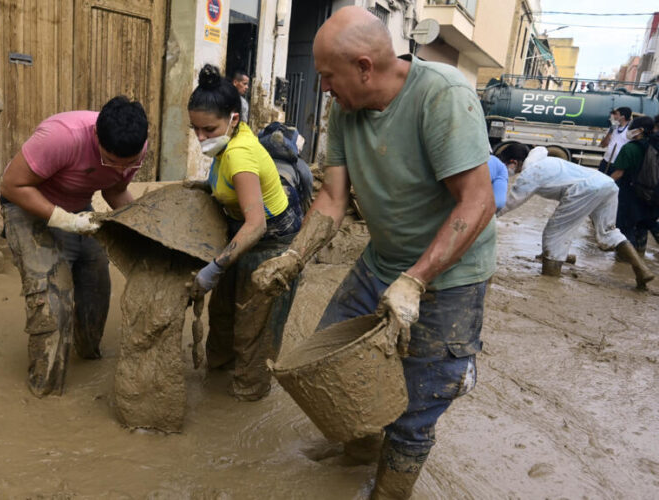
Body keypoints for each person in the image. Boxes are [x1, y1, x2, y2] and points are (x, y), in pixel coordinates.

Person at [252, 7, 496, 498]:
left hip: (448, 277)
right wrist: (294, 256)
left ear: (364, 66)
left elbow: (479, 201)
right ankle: (358, 450)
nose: (323, 87)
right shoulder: (345, 108)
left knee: (417, 404)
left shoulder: (441, 96)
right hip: (380, 261)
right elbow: (333, 198)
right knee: (332, 358)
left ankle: (389, 491)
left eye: (327, 76)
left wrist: (416, 280)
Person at [0, 97, 148, 397]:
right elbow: (11, 185)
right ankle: (46, 392)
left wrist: (143, 228)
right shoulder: (62, 137)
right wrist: (63, 220)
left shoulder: (134, 145)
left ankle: (88, 355)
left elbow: (115, 189)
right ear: (96, 138)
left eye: (128, 164)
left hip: (79, 209)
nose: (121, 169)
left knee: (97, 288)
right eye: (111, 161)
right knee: (53, 302)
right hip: (28, 207)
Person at [187, 64, 303, 401]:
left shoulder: (239, 154)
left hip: (271, 242)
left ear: (233, 119)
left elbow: (257, 225)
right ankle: (217, 383)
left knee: (254, 329)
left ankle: (246, 394)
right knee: (222, 314)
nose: (201, 138)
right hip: (242, 231)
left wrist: (213, 267)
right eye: (195, 129)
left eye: (209, 129)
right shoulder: (228, 143)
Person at [498, 145, 653, 288]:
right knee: (609, 231)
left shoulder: (530, 173)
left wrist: (484, 216)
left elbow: (509, 204)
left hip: (585, 189)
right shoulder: (547, 161)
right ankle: (641, 270)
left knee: (555, 233)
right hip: (606, 184)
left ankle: (550, 281)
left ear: (514, 162)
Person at [611, 115, 659, 256]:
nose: (630, 130)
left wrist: (600, 184)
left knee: (625, 227)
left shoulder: (630, 148)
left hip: (630, 194)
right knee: (643, 225)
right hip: (651, 193)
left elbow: (618, 173)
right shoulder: (653, 145)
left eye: (632, 127)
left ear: (640, 130)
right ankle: (640, 254)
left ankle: (628, 260)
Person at [598, 107, 632, 175]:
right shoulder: (614, 128)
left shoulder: (630, 130)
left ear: (623, 117)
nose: (614, 116)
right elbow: (603, 145)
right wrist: (610, 132)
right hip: (606, 161)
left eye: (616, 114)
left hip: (618, 164)